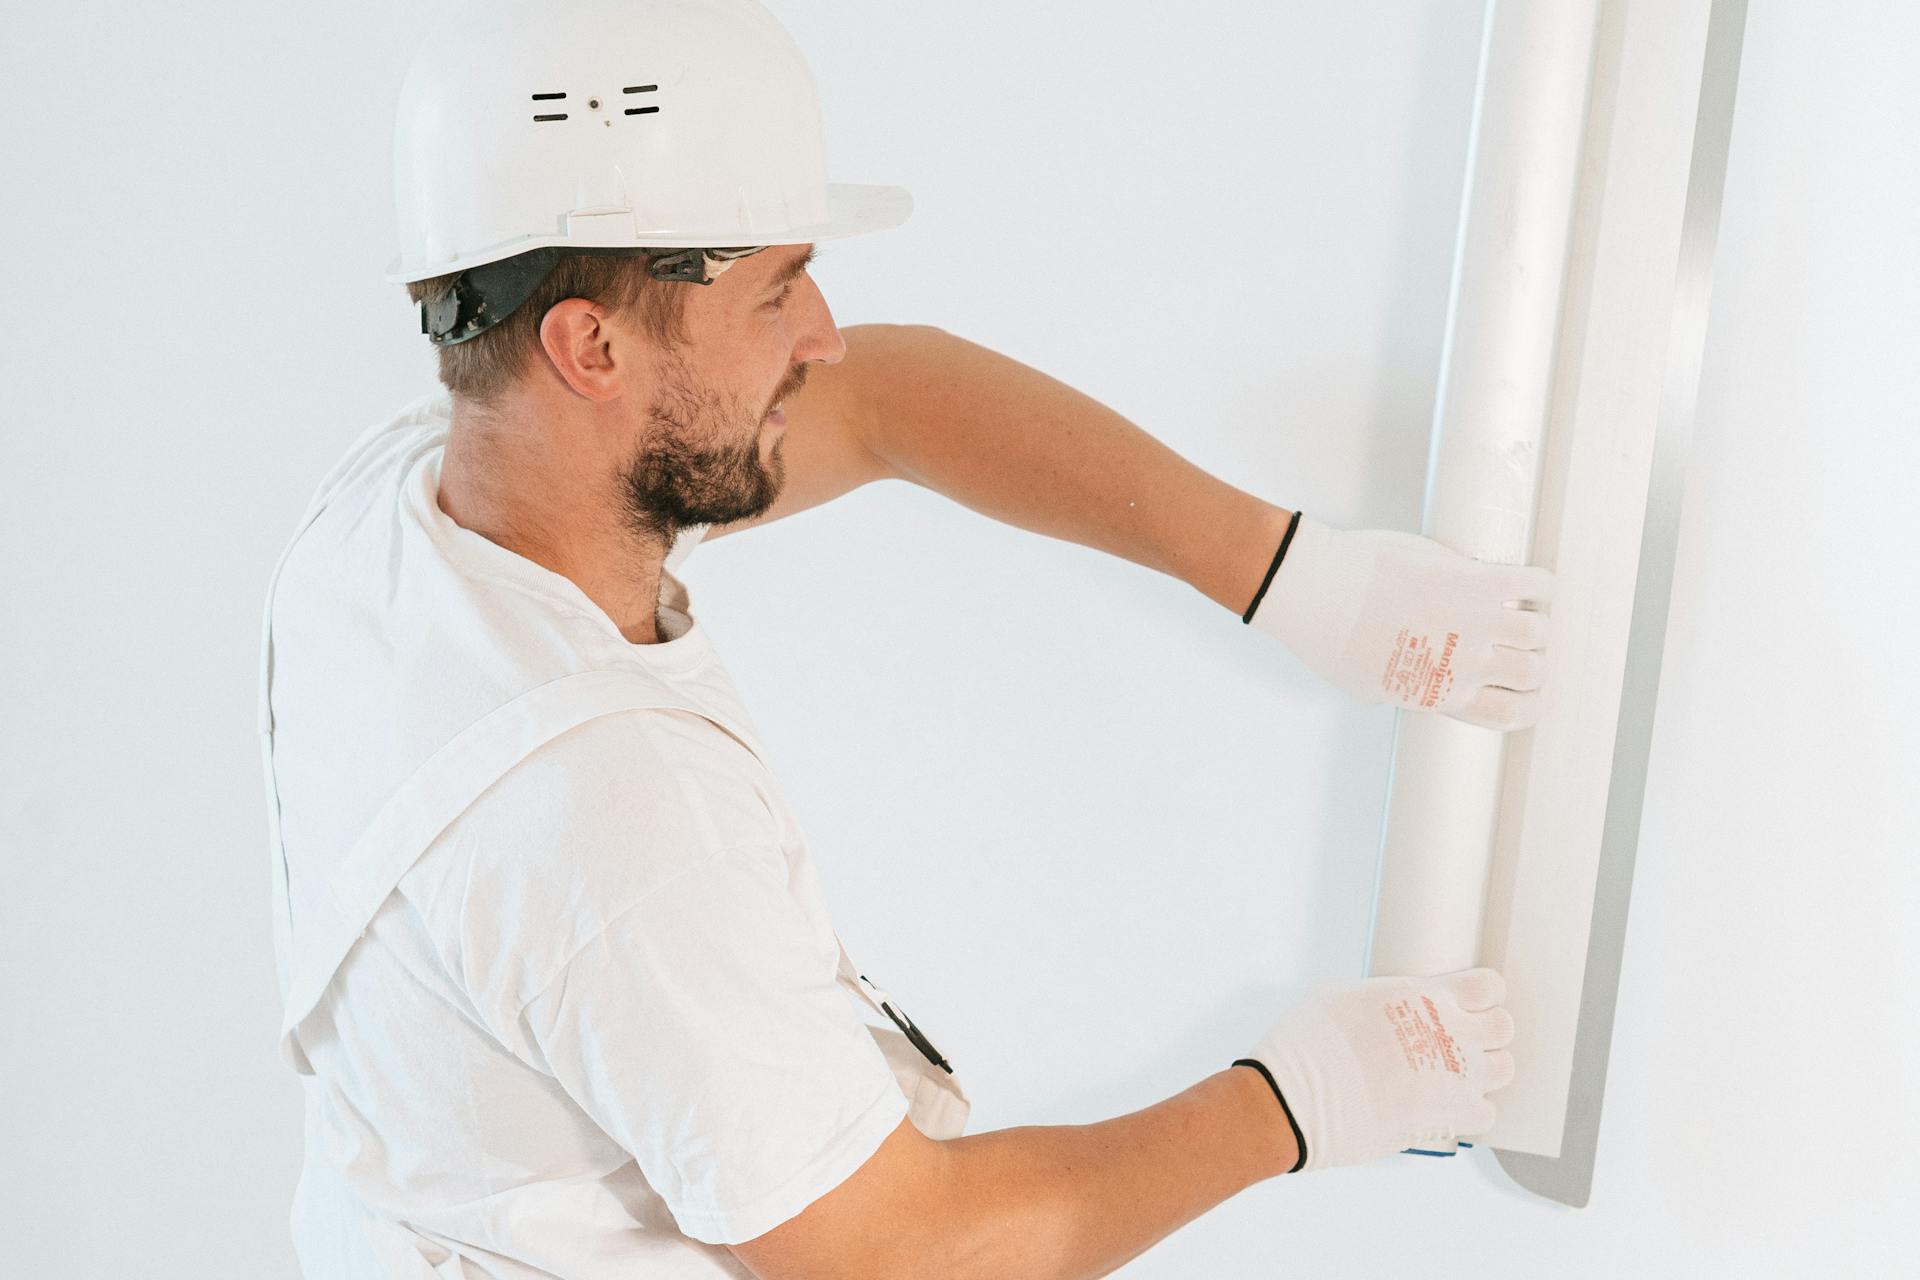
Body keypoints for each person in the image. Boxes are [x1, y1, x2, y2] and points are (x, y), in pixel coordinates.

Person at [257, 1, 1555, 1275]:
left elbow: (881, 397)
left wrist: (1302, 583)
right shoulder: (608, 827)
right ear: (588, 344)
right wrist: (1304, 1100)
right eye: (774, 296)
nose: (821, 331)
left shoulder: (408, 517)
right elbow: (903, 1255)